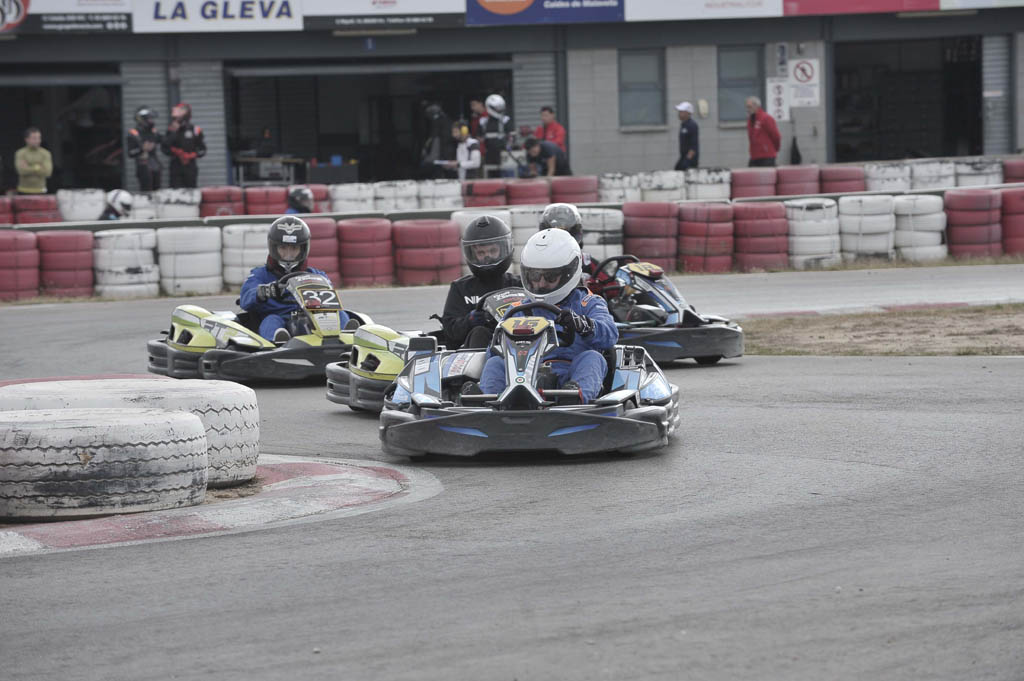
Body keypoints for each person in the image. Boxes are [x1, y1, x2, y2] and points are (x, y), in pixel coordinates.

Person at [478, 229, 618, 404]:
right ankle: (487, 402)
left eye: (550, 277)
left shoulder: (587, 302)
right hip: (523, 375)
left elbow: (611, 334)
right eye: (535, 276)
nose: (541, 283)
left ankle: (574, 400)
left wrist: (583, 324)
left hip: (570, 372)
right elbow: (494, 351)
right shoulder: (517, 310)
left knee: (593, 358)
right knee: (494, 363)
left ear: (569, 273)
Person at [240, 216, 349, 343]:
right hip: (279, 317)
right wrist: (265, 291)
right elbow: (245, 298)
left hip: (311, 320)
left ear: (303, 249)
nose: (288, 254)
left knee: (340, 314)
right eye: (283, 248)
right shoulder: (261, 274)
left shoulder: (316, 275)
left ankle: (348, 338)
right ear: (274, 248)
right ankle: (277, 342)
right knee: (271, 320)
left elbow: (330, 301)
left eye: (294, 249)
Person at [440, 215, 520, 350]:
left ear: (503, 249)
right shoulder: (461, 289)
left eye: (493, 251)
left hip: (515, 346)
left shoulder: (518, 285)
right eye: (481, 253)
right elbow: (450, 332)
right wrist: (469, 320)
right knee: (480, 332)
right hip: (475, 352)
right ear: (472, 255)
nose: (488, 257)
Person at [162, 102, 206, 188]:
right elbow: (164, 147)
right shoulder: (171, 129)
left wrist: (192, 155)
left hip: (190, 166)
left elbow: (202, 149)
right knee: (176, 191)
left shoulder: (195, 130)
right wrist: (176, 152)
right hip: (176, 165)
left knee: (191, 190)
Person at [126, 106, 162, 191]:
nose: (152, 121)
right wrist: (142, 149)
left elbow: (165, 141)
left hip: (155, 165)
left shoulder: (153, 132)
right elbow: (130, 153)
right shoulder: (133, 133)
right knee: (146, 190)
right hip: (143, 166)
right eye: (149, 119)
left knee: (157, 190)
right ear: (142, 120)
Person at [14, 127, 52, 195]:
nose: (37, 141)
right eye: (34, 138)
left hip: (41, 190)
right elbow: (21, 171)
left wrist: (28, 167)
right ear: (27, 139)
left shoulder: (45, 153)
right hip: (23, 190)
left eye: (39, 138)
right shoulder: (20, 153)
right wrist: (38, 167)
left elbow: (48, 172)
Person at [746, 96, 781, 167]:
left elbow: (776, 136)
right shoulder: (750, 120)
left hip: (767, 156)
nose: (747, 109)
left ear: (756, 106)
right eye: (747, 107)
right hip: (754, 156)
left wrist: (773, 149)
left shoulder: (766, 118)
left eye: (749, 107)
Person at [479, 94, 510, 170]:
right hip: (488, 155)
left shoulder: (505, 120)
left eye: (501, 107)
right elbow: (479, 138)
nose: (499, 110)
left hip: (504, 154)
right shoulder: (483, 122)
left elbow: (511, 136)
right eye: (497, 108)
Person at [674, 101, 699, 171]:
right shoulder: (684, 125)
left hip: (690, 159)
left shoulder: (692, 125)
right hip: (683, 156)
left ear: (687, 113)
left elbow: (694, 146)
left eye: (681, 112)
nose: (679, 114)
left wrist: (687, 160)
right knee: (677, 168)